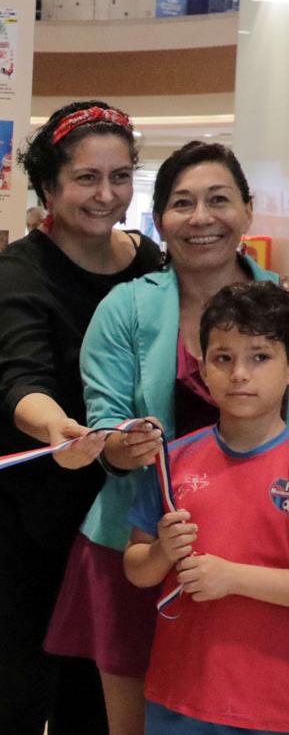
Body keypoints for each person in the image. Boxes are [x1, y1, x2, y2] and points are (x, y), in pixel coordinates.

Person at [46, 141, 278, 734]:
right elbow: (106, 421)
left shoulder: (280, 308)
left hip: (263, 554)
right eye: (182, 203)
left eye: (218, 200)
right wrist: (121, 446)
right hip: (141, 547)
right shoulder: (125, 308)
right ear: (159, 218)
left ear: (247, 210)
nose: (201, 218)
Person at [0, 101, 163, 735]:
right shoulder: (15, 274)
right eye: (86, 178)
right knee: (23, 683)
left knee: (95, 685)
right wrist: (57, 429)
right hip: (20, 511)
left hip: (114, 507)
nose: (106, 195)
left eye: (120, 176)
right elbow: (17, 380)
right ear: (48, 185)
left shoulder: (152, 265)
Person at [125, 281, 289, 734]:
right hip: (181, 699)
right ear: (202, 367)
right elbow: (137, 568)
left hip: (275, 707)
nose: (240, 374)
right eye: (223, 358)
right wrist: (162, 552)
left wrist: (233, 578)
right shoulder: (172, 460)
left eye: (260, 356)